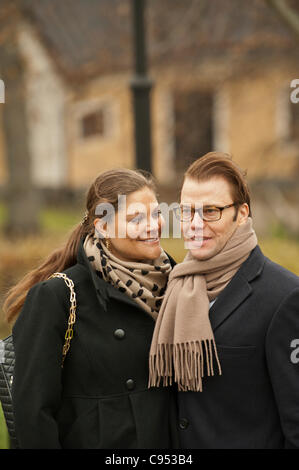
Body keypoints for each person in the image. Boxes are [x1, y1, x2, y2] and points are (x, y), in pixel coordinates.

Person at [3, 168, 179, 449]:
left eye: (157, 214)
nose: (153, 225)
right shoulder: (58, 296)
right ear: (103, 226)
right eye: (137, 218)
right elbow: (33, 415)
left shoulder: (177, 284)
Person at [149, 152, 299, 449]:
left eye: (210, 211)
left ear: (241, 213)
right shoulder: (173, 284)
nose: (194, 224)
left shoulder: (285, 296)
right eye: (187, 211)